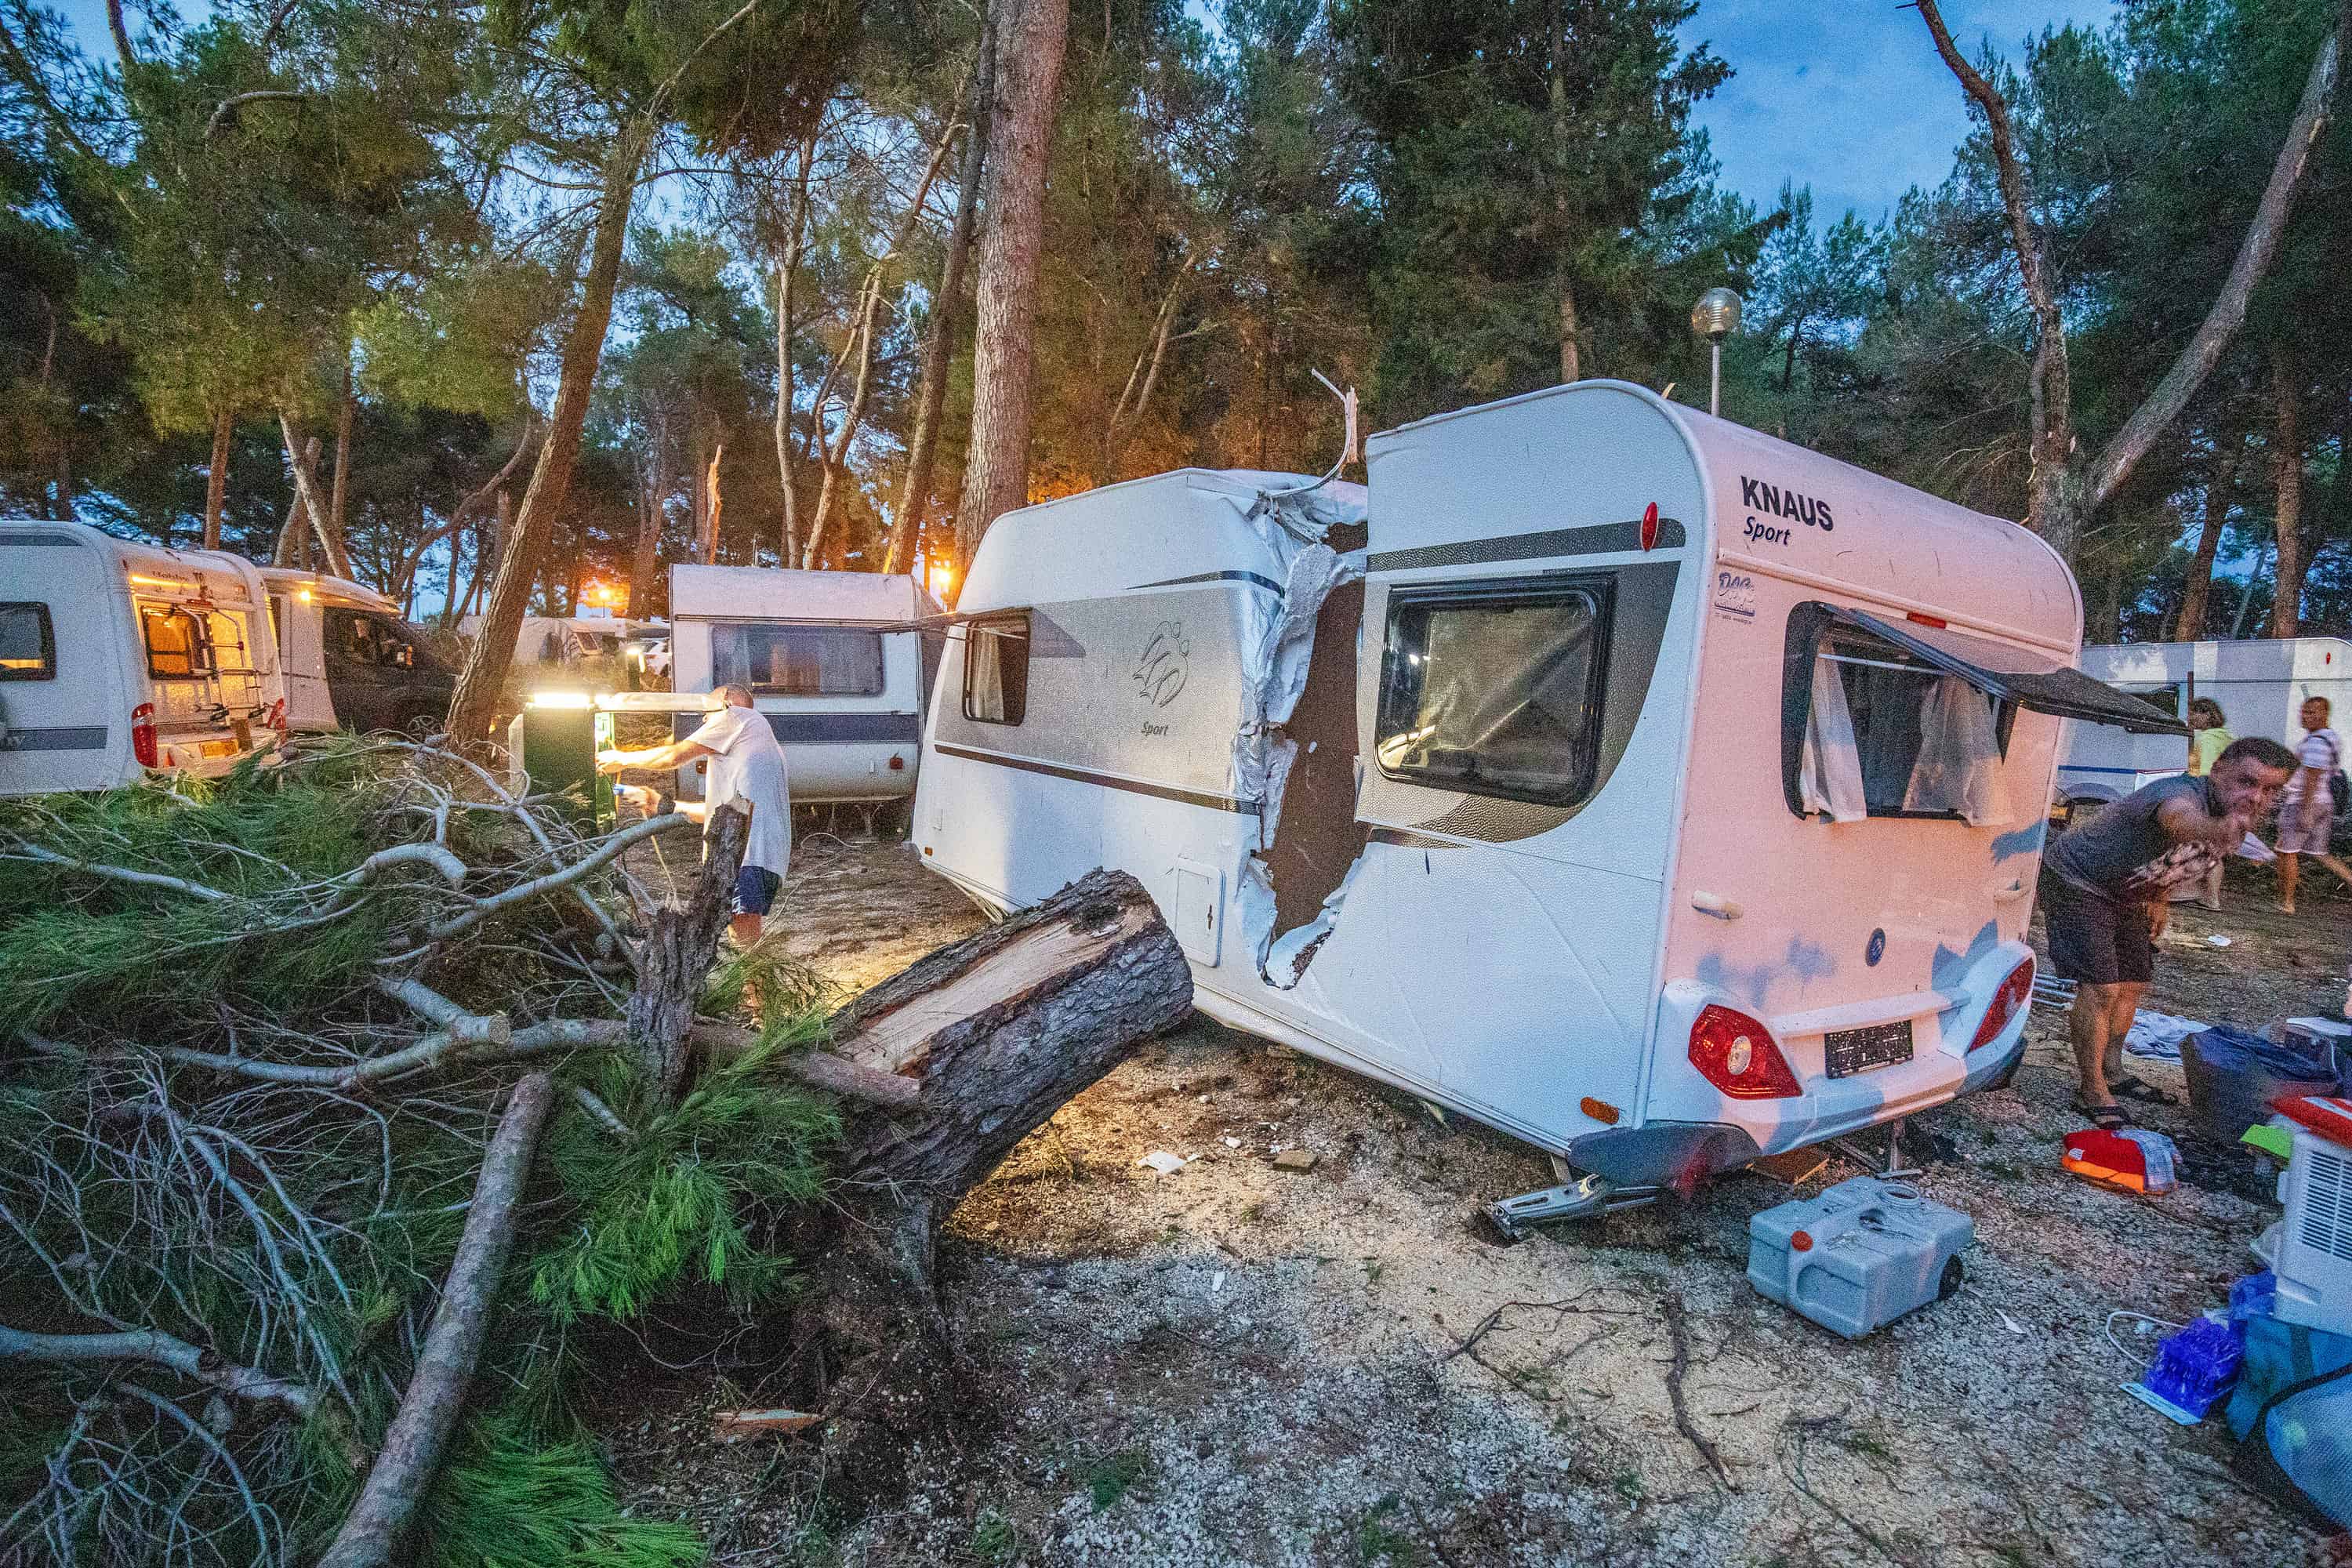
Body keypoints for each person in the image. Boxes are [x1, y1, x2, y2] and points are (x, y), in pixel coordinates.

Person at [2039, 736, 2296, 1130]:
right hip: (2079, 880)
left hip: (2127, 891)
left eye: (2271, 789)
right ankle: (2091, 1089)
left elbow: (2176, 859)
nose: (2257, 796)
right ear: (2219, 769)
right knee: (2102, 987)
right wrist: (2217, 828)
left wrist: (2158, 898)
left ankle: (2113, 1070)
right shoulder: (2182, 795)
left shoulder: (2233, 814)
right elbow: (2178, 820)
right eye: (2248, 781)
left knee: (2134, 981)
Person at [597, 684, 791, 947]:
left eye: (706, 710)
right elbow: (720, 814)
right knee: (741, 931)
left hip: (749, 852)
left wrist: (622, 758)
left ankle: (754, 988)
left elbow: (674, 755)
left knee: (744, 934)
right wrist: (664, 805)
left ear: (724, 701)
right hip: (763, 854)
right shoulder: (750, 743)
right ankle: (753, 987)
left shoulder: (736, 716)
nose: (703, 719)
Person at [2275, 695, 2352, 915]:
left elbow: (2312, 777)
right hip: (2325, 802)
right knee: (2319, 854)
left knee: (2286, 851)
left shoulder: (2316, 743)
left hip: (2303, 802)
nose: (2305, 716)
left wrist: (2305, 811)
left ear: (2324, 714)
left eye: (2311, 712)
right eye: (2304, 711)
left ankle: (2287, 903)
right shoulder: (2330, 738)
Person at [2183, 698, 2234, 910]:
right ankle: (2206, 896)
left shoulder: (2207, 739)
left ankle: (2206, 896)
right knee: (2212, 848)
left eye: (2193, 713)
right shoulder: (2229, 737)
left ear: (2206, 714)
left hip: (2208, 797)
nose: (2189, 718)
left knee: (2201, 846)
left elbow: (2206, 773)